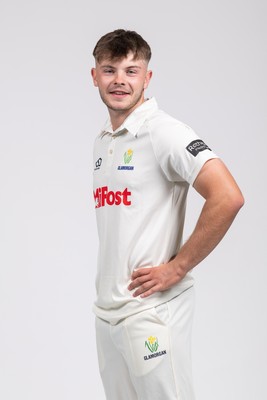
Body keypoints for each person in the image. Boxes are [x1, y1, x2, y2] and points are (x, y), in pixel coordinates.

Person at [91, 29, 244, 400]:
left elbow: (227, 196)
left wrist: (176, 267)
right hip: (108, 313)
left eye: (131, 70)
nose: (120, 81)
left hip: (152, 313)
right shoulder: (104, 141)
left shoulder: (164, 132)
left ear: (148, 77)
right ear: (94, 76)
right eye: (110, 70)